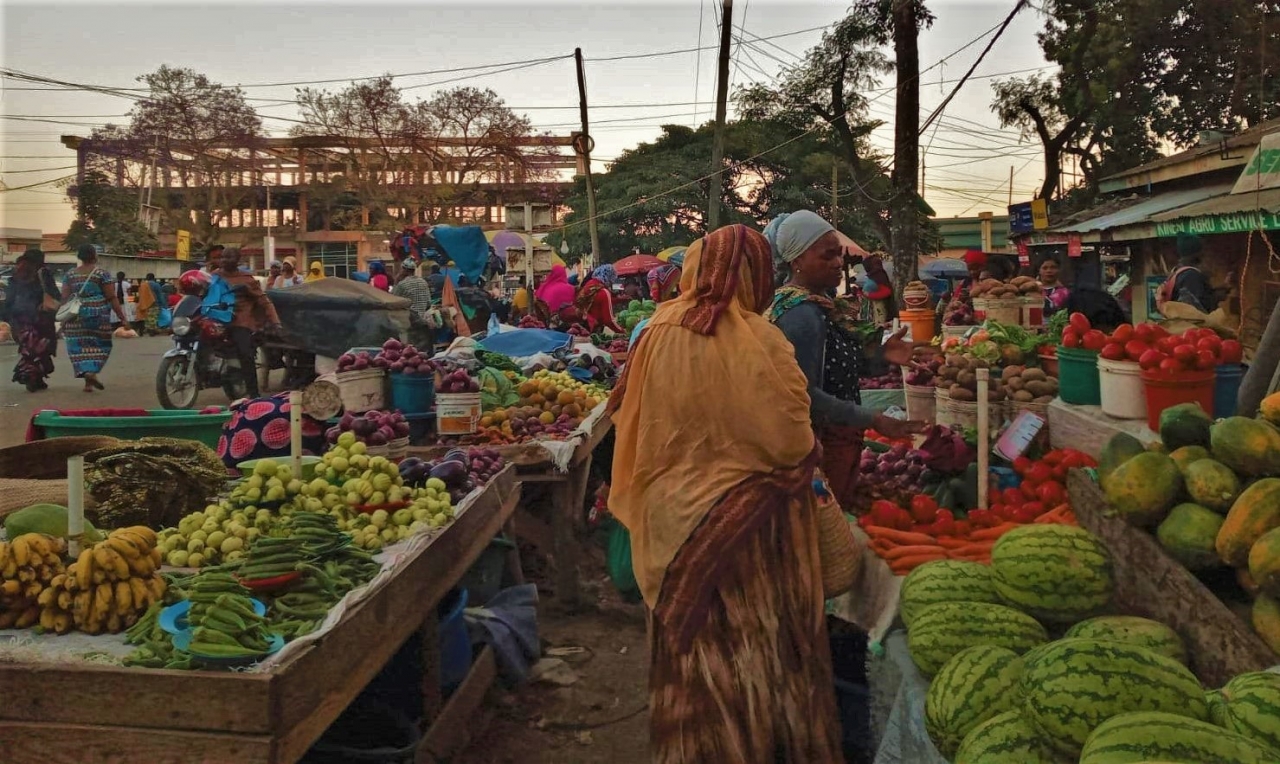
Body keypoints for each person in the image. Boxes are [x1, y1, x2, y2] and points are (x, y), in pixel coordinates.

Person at [608, 224, 843, 762]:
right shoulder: (759, 337)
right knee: (755, 654)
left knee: (691, 661)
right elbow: (791, 442)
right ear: (758, 277)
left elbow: (626, 414)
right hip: (748, 532)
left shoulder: (657, 327)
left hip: (670, 524)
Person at [765, 210, 925, 511]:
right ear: (796, 260)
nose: (839, 263)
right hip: (816, 447)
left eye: (839, 254)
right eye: (827, 256)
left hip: (836, 439)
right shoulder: (801, 314)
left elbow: (834, 366)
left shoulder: (822, 306)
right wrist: (873, 418)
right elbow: (803, 394)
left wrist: (881, 356)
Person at [216, 247, 281, 399]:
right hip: (216, 317)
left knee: (245, 353)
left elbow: (264, 302)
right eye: (223, 257)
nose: (224, 260)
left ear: (237, 260)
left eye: (229, 257)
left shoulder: (246, 279)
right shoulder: (214, 276)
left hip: (239, 320)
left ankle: (253, 393)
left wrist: (275, 322)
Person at [61, 244, 128, 392]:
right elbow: (111, 297)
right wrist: (122, 318)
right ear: (94, 256)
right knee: (100, 345)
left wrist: (63, 320)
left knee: (78, 347)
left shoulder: (70, 275)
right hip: (98, 314)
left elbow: (64, 297)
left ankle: (88, 381)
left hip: (75, 316)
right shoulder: (102, 274)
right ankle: (91, 374)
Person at [4, 247, 59, 392]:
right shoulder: (43, 272)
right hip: (41, 318)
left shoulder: (16, 273)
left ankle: (34, 378)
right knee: (41, 349)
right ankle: (33, 377)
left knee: (29, 348)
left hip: (20, 320)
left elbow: (9, 297)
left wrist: (8, 316)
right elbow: (53, 293)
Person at [1158, 232, 1218, 313]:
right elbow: (1197, 308)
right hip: (1192, 324)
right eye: (1201, 250)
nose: (1203, 254)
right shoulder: (1191, 276)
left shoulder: (1176, 271)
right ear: (1196, 253)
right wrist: (1217, 297)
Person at [393, 259, 435, 348]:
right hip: (423, 321)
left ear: (404, 270)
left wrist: (396, 281)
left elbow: (393, 301)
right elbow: (428, 302)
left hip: (409, 322)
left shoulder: (402, 284)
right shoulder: (423, 282)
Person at [576, 264, 622, 332]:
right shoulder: (603, 291)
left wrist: (620, 300)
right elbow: (608, 320)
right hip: (595, 328)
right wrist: (622, 331)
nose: (612, 282)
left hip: (583, 326)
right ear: (609, 277)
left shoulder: (589, 285)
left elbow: (599, 302)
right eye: (612, 279)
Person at [861, 253, 897, 324]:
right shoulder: (873, 275)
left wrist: (869, 295)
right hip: (870, 309)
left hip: (879, 310)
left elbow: (887, 292)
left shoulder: (880, 275)